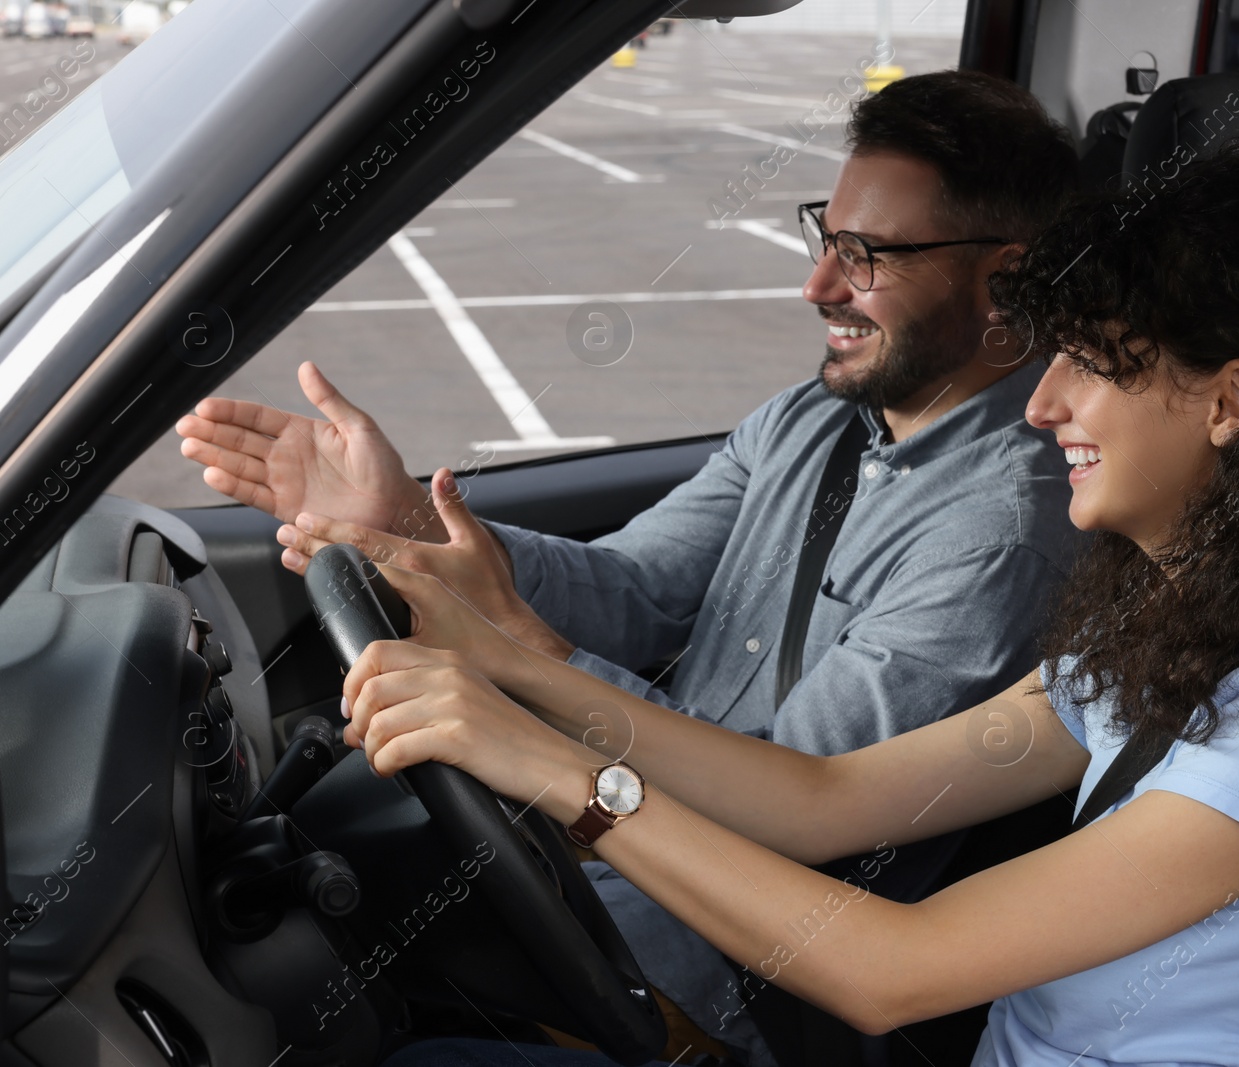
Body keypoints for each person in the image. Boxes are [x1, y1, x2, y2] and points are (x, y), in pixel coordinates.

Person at [327, 138, 1239, 1067]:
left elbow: (891, 973)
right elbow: (822, 803)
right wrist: (520, 671)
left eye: (1087, 365)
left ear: (1228, 400)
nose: (1041, 407)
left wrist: (556, 772)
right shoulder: (1175, 628)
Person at [175, 71, 1083, 1064]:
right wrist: (400, 518)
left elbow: (795, 811)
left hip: (713, 987)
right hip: (603, 863)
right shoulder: (814, 420)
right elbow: (638, 586)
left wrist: (531, 658)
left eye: (867, 256)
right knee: (293, 902)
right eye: (826, 235)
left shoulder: (1003, 531)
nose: (818, 285)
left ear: (1003, 278)